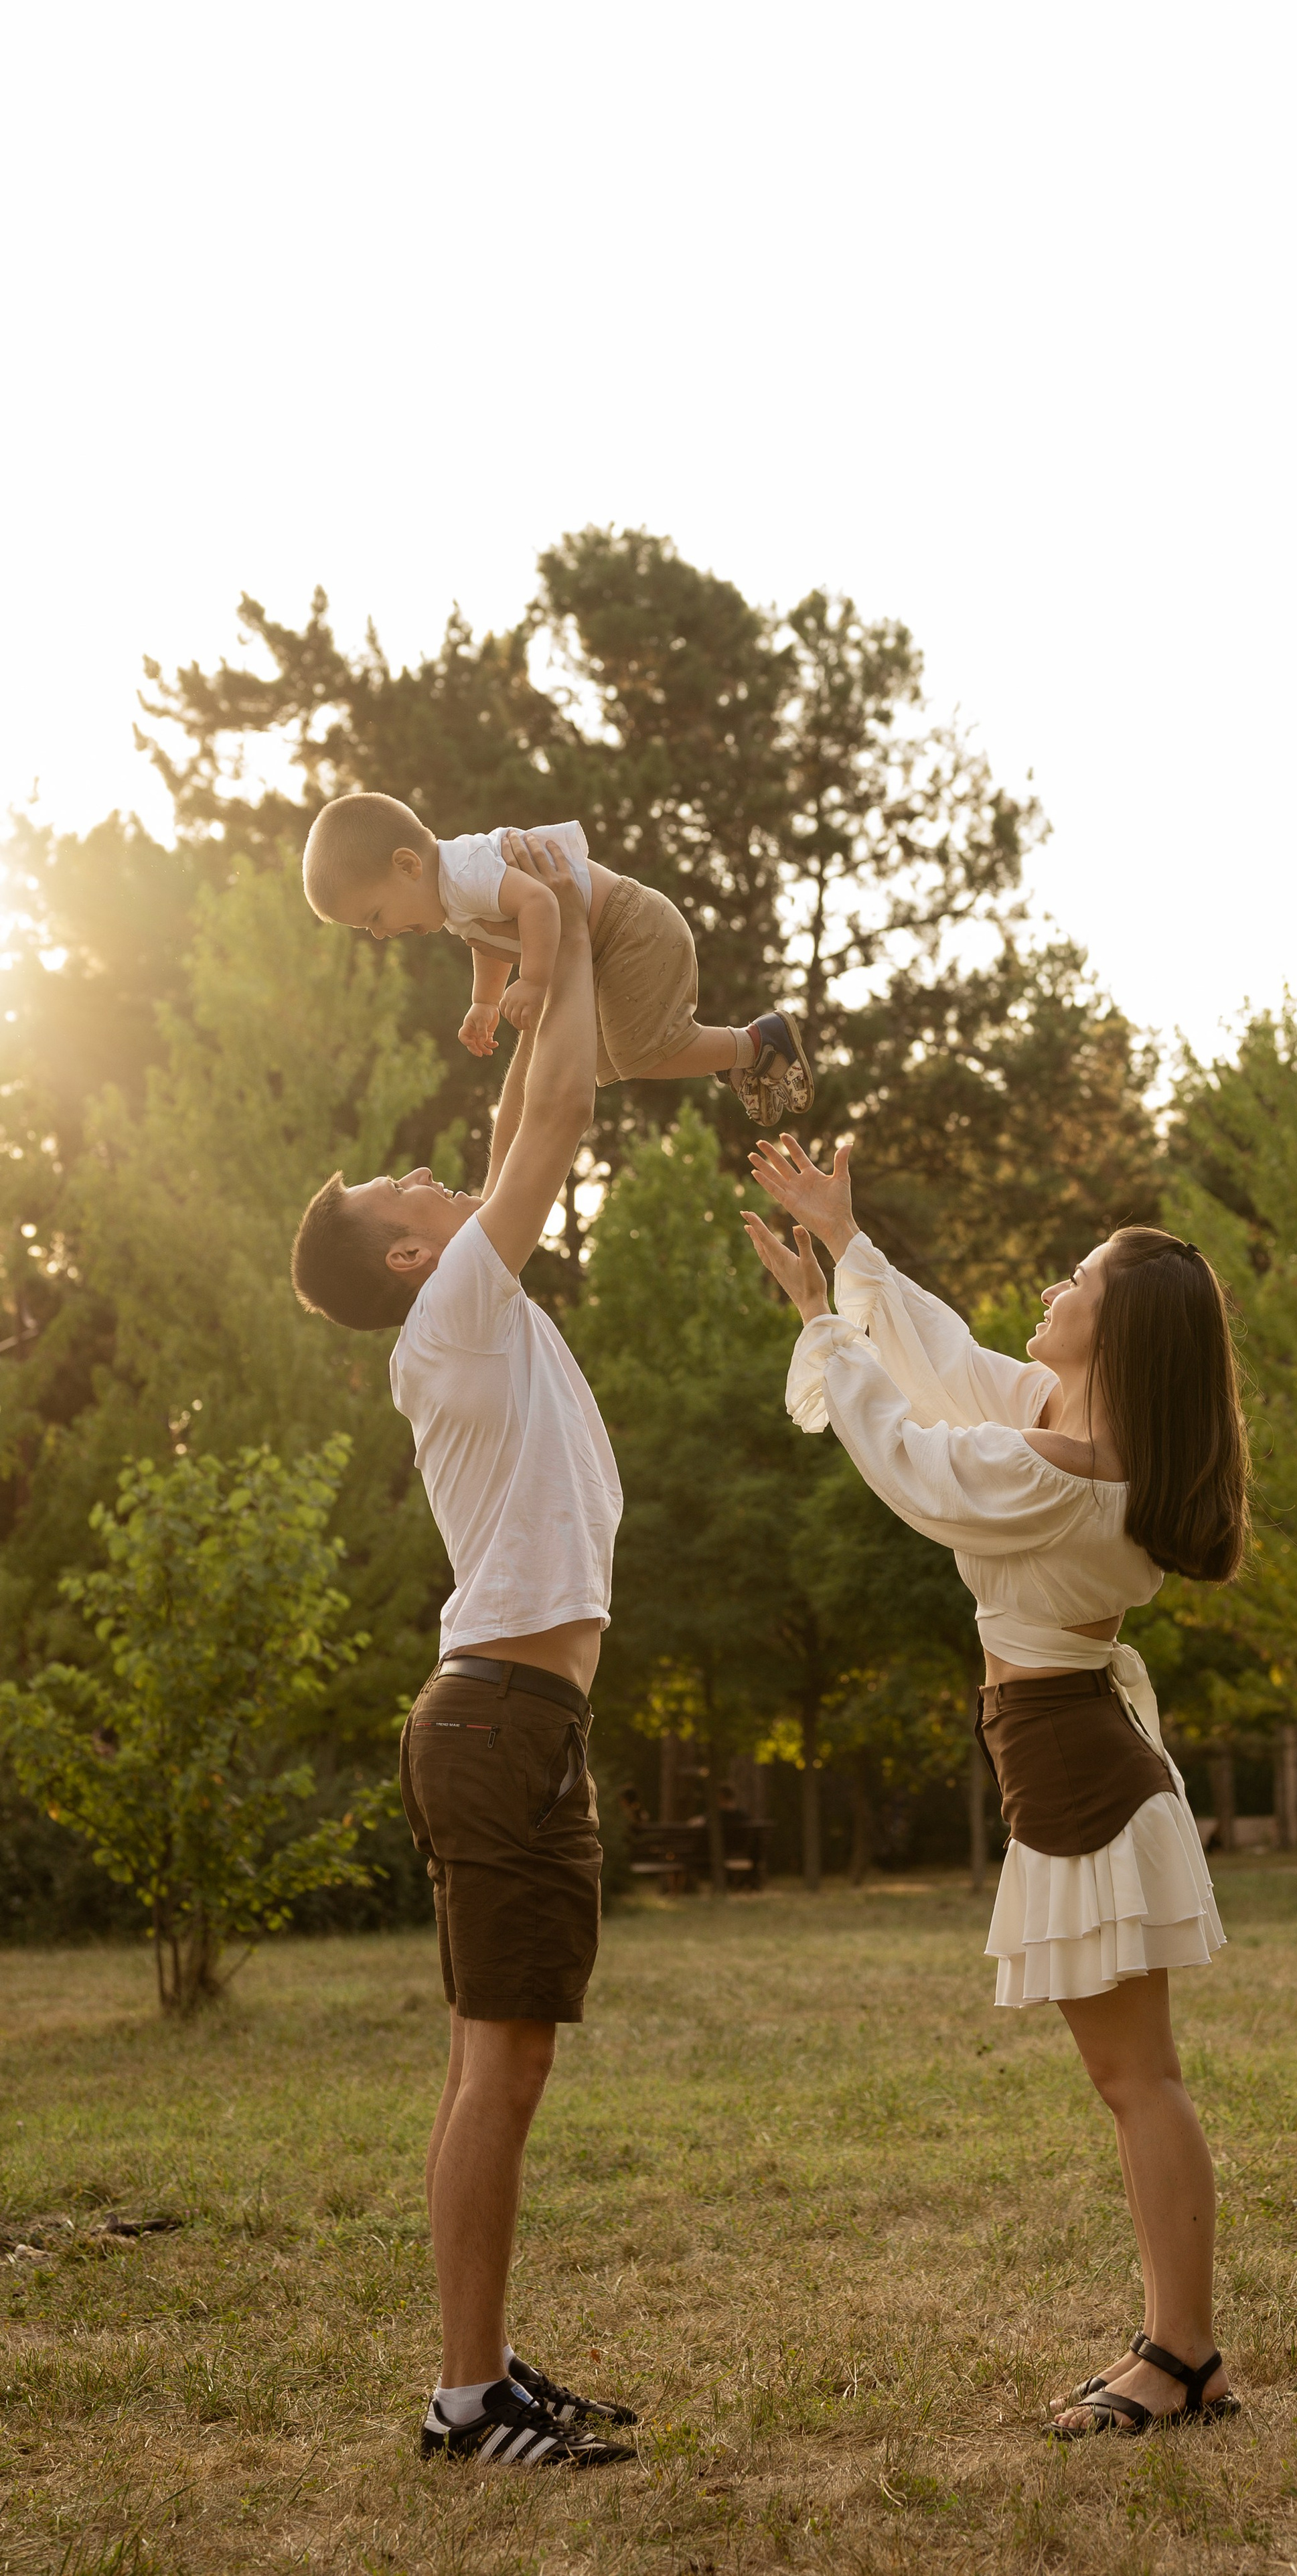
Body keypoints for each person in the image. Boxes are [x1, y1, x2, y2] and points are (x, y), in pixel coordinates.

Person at [743, 1137, 1249, 2441]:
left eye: (1075, 1276)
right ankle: (1178, 2350)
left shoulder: (1054, 1481)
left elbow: (913, 1458)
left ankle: (1180, 2358)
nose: (1053, 1285)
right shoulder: (1057, 1428)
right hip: (1074, 1759)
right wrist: (849, 1248)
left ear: (1114, 1328)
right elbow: (949, 1363)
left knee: (1138, 2083)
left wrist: (817, 1329)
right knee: (1135, 2081)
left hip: (1081, 1772)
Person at [291, 831, 636, 2470]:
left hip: (507, 1715)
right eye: (399, 1190)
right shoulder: (452, 1308)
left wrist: (530, 953)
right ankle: (463, 2397)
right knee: (499, 2067)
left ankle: (478, 2371)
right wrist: (552, 938)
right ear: (411, 1252)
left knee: (487, 2064)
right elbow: (554, 1120)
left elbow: (517, 1116)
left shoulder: (459, 1300)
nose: (427, 1174)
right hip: (499, 1716)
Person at [301, 788, 814, 1121]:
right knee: (608, 1059)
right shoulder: (453, 892)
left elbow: (539, 903)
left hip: (630, 929)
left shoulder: (465, 872)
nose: (379, 935)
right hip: (611, 942)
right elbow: (491, 937)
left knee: (637, 1053)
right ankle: (735, 1058)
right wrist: (486, 1001)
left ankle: (754, 1044)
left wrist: (536, 980)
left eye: (372, 916)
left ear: (406, 865)